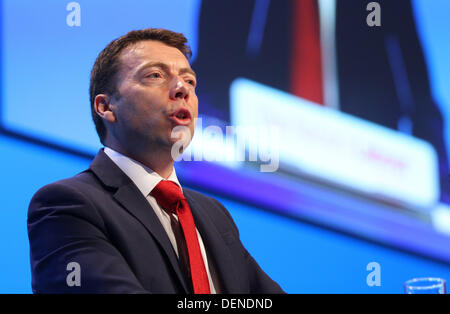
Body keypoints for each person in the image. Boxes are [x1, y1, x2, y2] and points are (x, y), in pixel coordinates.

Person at [27, 28, 284, 294]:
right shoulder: (68, 204)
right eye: (155, 75)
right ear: (106, 107)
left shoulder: (213, 215)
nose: (181, 89)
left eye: (190, 81)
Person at [193, 0, 450, 201]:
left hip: (363, 181)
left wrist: (438, 180)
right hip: (257, 171)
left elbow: (418, 93)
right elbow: (211, 74)